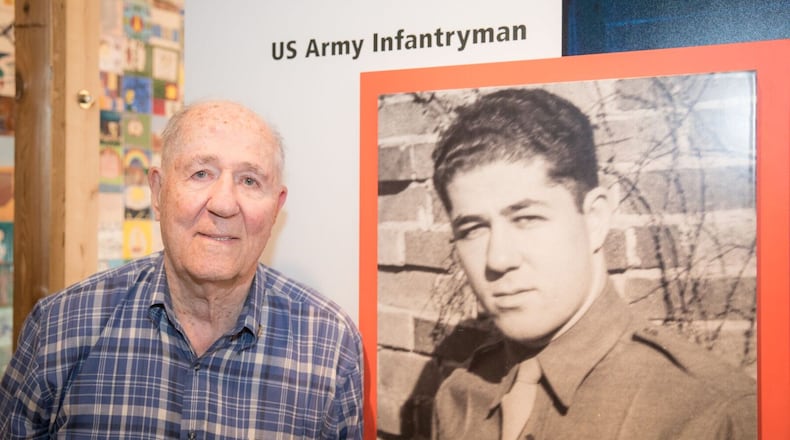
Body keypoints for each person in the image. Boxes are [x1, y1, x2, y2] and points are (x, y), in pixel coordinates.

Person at [0, 101, 364, 438]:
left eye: (250, 180)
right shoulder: (60, 327)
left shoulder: (330, 346)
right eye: (201, 173)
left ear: (275, 208)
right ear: (157, 192)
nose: (224, 204)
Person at [429, 88, 756, 439]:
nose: (498, 259)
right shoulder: (458, 398)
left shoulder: (709, 414)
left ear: (595, 219)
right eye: (473, 229)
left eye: (527, 218)